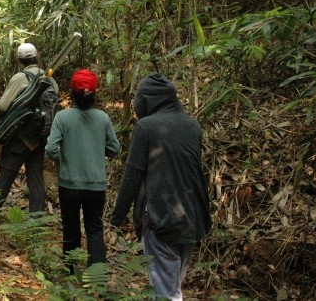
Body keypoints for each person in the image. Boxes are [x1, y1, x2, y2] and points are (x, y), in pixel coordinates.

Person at [109, 73, 212, 301]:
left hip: (159, 217)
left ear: (147, 100)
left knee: (167, 293)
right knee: (172, 286)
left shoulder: (146, 127)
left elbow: (133, 176)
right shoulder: (193, 125)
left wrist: (116, 218)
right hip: (192, 218)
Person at [44, 69, 120, 272]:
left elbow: (50, 149)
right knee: (94, 228)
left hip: (69, 183)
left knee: (70, 227)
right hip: (96, 184)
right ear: (94, 94)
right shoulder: (102, 118)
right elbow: (115, 149)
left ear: (71, 93)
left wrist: (65, 157)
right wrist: (95, 149)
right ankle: (97, 278)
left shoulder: (63, 117)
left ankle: (71, 273)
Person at [0, 42, 58, 214]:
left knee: (6, 174)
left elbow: (3, 107)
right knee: (35, 176)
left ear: (19, 60)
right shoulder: (50, 79)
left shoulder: (20, 78)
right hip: (40, 137)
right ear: (37, 57)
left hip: (19, 137)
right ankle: (36, 218)